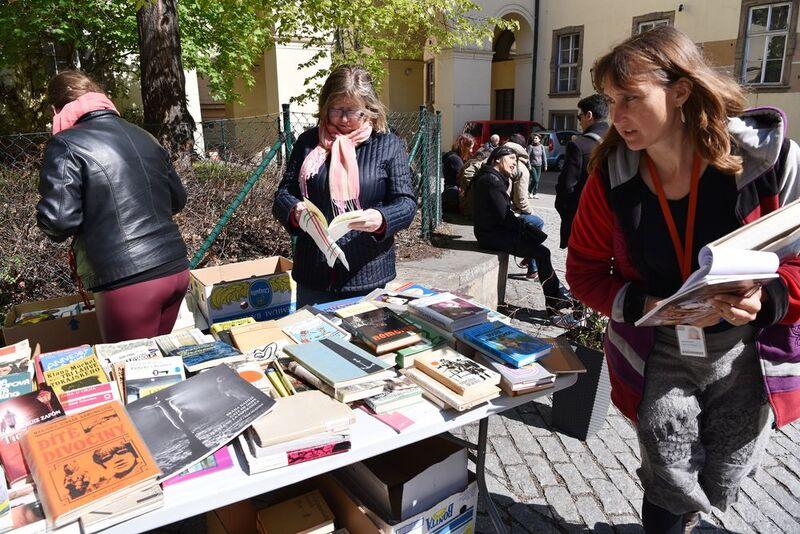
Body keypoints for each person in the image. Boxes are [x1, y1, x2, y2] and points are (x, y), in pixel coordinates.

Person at [565, 26, 800, 534]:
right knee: (666, 476)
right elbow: (583, 274)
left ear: (681, 91)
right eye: (610, 100)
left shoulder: (766, 162)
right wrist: (645, 303)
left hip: (745, 352)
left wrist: (771, 297)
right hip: (659, 349)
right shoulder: (610, 175)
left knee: (724, 475)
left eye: (630, 98)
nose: (616, 116)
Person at [36, 70, 189, 343]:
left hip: (127, 281)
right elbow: (178, 199)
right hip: (175, 269)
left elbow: (59, 221)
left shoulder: (65, 144)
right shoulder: (145, 137)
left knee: (129, 371)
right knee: (159, 367)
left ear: (55, 109)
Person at [273, 65, 416, 307]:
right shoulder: (308, 142)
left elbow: (406, 203)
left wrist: (382, 218)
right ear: (324, 108)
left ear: (368, 110)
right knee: (313, 343)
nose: (343, 119)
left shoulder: (387, 144)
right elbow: (284, 193)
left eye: (352, 111)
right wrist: (294, 210)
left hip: (367, 274)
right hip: (314, 275)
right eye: (336, 110)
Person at [472, 146, 574, 324]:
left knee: (540, 248)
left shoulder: (490, 177)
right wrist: (523, 228)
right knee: (542, 252)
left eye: (516, 160)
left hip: (491, 232)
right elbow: (504, 216)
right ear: (497, 159)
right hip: (492, 236)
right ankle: (555, 302)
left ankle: (557, 296)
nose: (514, 163)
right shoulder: (491, 181)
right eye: (511, 158)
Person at [555, 93, 609, 248]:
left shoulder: (579, 146)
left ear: (589, 115)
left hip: (584, 220)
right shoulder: (619, 141)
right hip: (610, 220)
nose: (580, 123)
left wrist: (567, 215)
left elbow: (566, 187)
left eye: (580, 117)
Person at [505, 135, 543, 280]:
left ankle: (529, 260)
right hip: (507, 213)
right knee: (537, 223)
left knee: (532, 224)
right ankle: (532, 267)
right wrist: (530, 211)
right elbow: (521, 200)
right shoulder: (520, 167)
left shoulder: (499, 158)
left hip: (491, 210)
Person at [442, 134, 474, 214]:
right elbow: (462, 179)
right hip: (453, 194)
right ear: (464, 147)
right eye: (470, 148)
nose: (471, 151)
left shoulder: (453, 156)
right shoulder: (455, 159)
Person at [458, 146, 493, 218]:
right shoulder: (477, 165)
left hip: (466, 207)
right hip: (474, 211)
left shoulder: (468, 163)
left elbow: (461, 181)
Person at [526, 133, 548, 198]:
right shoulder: (531, 146)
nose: (534, 139)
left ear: (539, 140)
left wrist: (545, 165)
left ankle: (534, 193)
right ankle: (529, 191)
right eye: (534, 138)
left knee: (537, 180)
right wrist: (529, 165)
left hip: (539, 165)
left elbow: (544, 156)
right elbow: (527, 157)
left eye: (536, 138)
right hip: (532, 165)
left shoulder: (541, 146)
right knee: (535, 179)